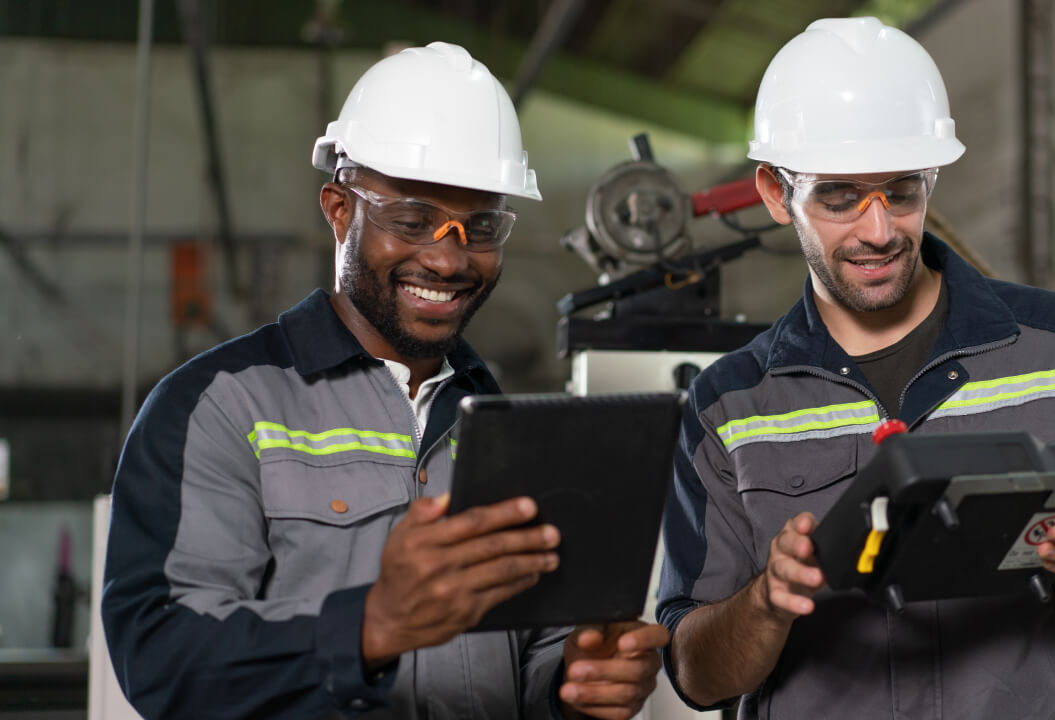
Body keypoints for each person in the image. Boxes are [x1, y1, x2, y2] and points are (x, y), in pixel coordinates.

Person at [656, 17, 1055, 719]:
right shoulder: (728, 409)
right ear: (774, 192)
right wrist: (766, 602)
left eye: (903, 189)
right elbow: (695, 672)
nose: (880, 229)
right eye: (839, 196)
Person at [102, 42, 667, 720]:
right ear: (339, 209)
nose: (448, 256)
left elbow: (535, 656)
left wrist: (575, 682)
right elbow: (161, 659)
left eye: (480, 227)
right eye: (412, 219)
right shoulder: (221, 408)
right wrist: (368, 626)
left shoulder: (510, 430)